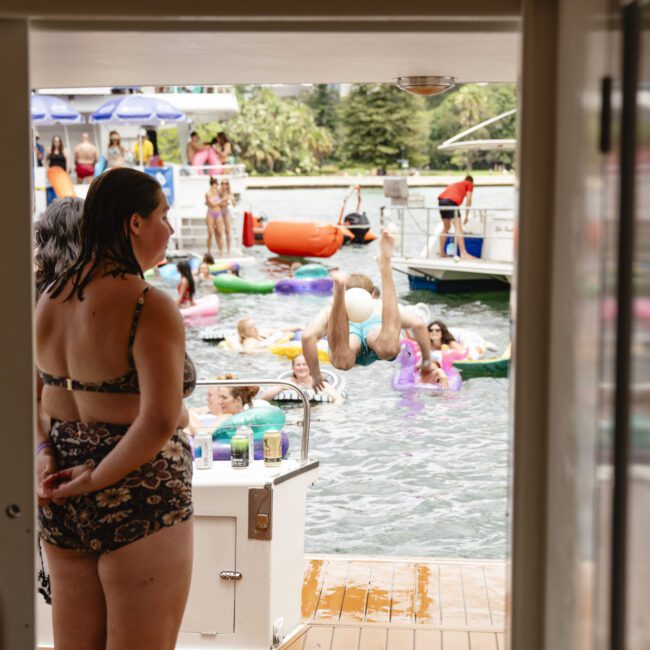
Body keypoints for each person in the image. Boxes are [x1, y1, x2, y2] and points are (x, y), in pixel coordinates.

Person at [36, 168, 196, 649]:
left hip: (61, 492)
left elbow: (34, 397)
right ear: (134, 223)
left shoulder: (50, 298)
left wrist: (45, 452)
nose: (170, 229)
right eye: (163, 216)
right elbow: (161, 419)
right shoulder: (149, 304)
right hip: (137, 491)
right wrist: (98, 478)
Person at [301, 230, 434, 390]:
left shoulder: (327, 311)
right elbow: (419, 325)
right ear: (373, 294)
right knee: (388, 349)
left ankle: (339, 294)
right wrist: (427, 361)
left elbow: (308, 337)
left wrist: (316, 376)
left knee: (342, 362)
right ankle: (386, 267)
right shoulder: (379, 304)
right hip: (376, 326)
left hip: (348, 335)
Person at [261, 354, 344, 404]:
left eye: (305, 364)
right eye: (298, 365)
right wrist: (282, 387)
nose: (301, 367)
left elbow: (339, 399)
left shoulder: (319, 383)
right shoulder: (288, 382)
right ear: (293, 368)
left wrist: (329, 412)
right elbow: (264, 398)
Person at [438, 175, 476, 259]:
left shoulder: (458, 184)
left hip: (441, 202)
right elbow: (469, 200)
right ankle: (463, 253)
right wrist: (466, 216)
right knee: (459, 228)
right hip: (451, 202)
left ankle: (442, 253)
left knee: (446, 227)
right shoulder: (469, 184)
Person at [204, 176, 224, 257]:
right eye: (215, 184)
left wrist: (221, 202)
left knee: (219, 233)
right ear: (211, 185)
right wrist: (221, 201)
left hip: (218, 214)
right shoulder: (208, 193)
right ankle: (208, 250)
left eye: (217, 184)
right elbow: (211, 204)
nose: (216, 186)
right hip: (210, 214)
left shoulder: (219, 193)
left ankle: (221, 250)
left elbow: (223, 203)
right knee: (210, 233)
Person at [219, 179, 234, 256]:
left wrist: (231, 200)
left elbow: (234, 204)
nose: (224, 185)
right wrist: (224, 200)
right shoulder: (218, 192)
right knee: (220, 232)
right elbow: (216, 203)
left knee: (228, 231)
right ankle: (221, 250)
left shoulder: (230, 193)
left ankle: (228, 250)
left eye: (226, 183)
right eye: (222, 183)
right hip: (219, 212)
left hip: (226, 211)